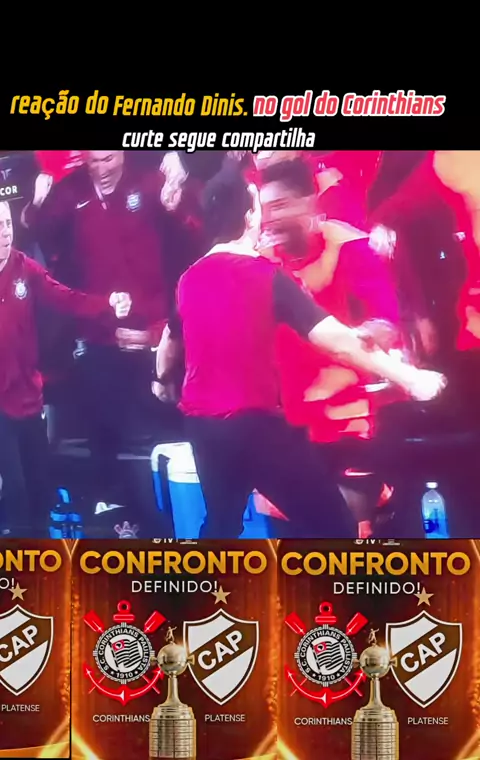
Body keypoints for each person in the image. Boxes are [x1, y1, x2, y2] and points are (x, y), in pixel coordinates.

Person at [155, 164, 446, 538]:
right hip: (258, 425)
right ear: (250, 217)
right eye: (264, 207)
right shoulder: (263, 274)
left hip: (207, 426)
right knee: (332, 528)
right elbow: (336, 340)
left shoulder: (190, 277)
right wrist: (411, 379)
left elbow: (168, 343)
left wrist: (162, 382)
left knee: (222, 523)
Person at [21, 151, 184, 525]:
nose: (102, 169)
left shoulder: (150, 182)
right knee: (103, 434)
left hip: (154, 335)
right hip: (98, 335)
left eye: (109, 159)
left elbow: (187, 241)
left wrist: (156, 334)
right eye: (94, 162)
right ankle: (112, 515)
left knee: (152, 431)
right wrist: (35, 206)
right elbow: (37, 230)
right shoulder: (70, 193)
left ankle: (163, 517)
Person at [0, 201, 132, 537]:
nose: (4, 233)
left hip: (28, 397)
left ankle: (44, 556)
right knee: (15, 490)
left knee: (39, 487)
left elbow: (66, 298)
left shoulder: (25, 269)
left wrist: (106, 304)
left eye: (7, 224)